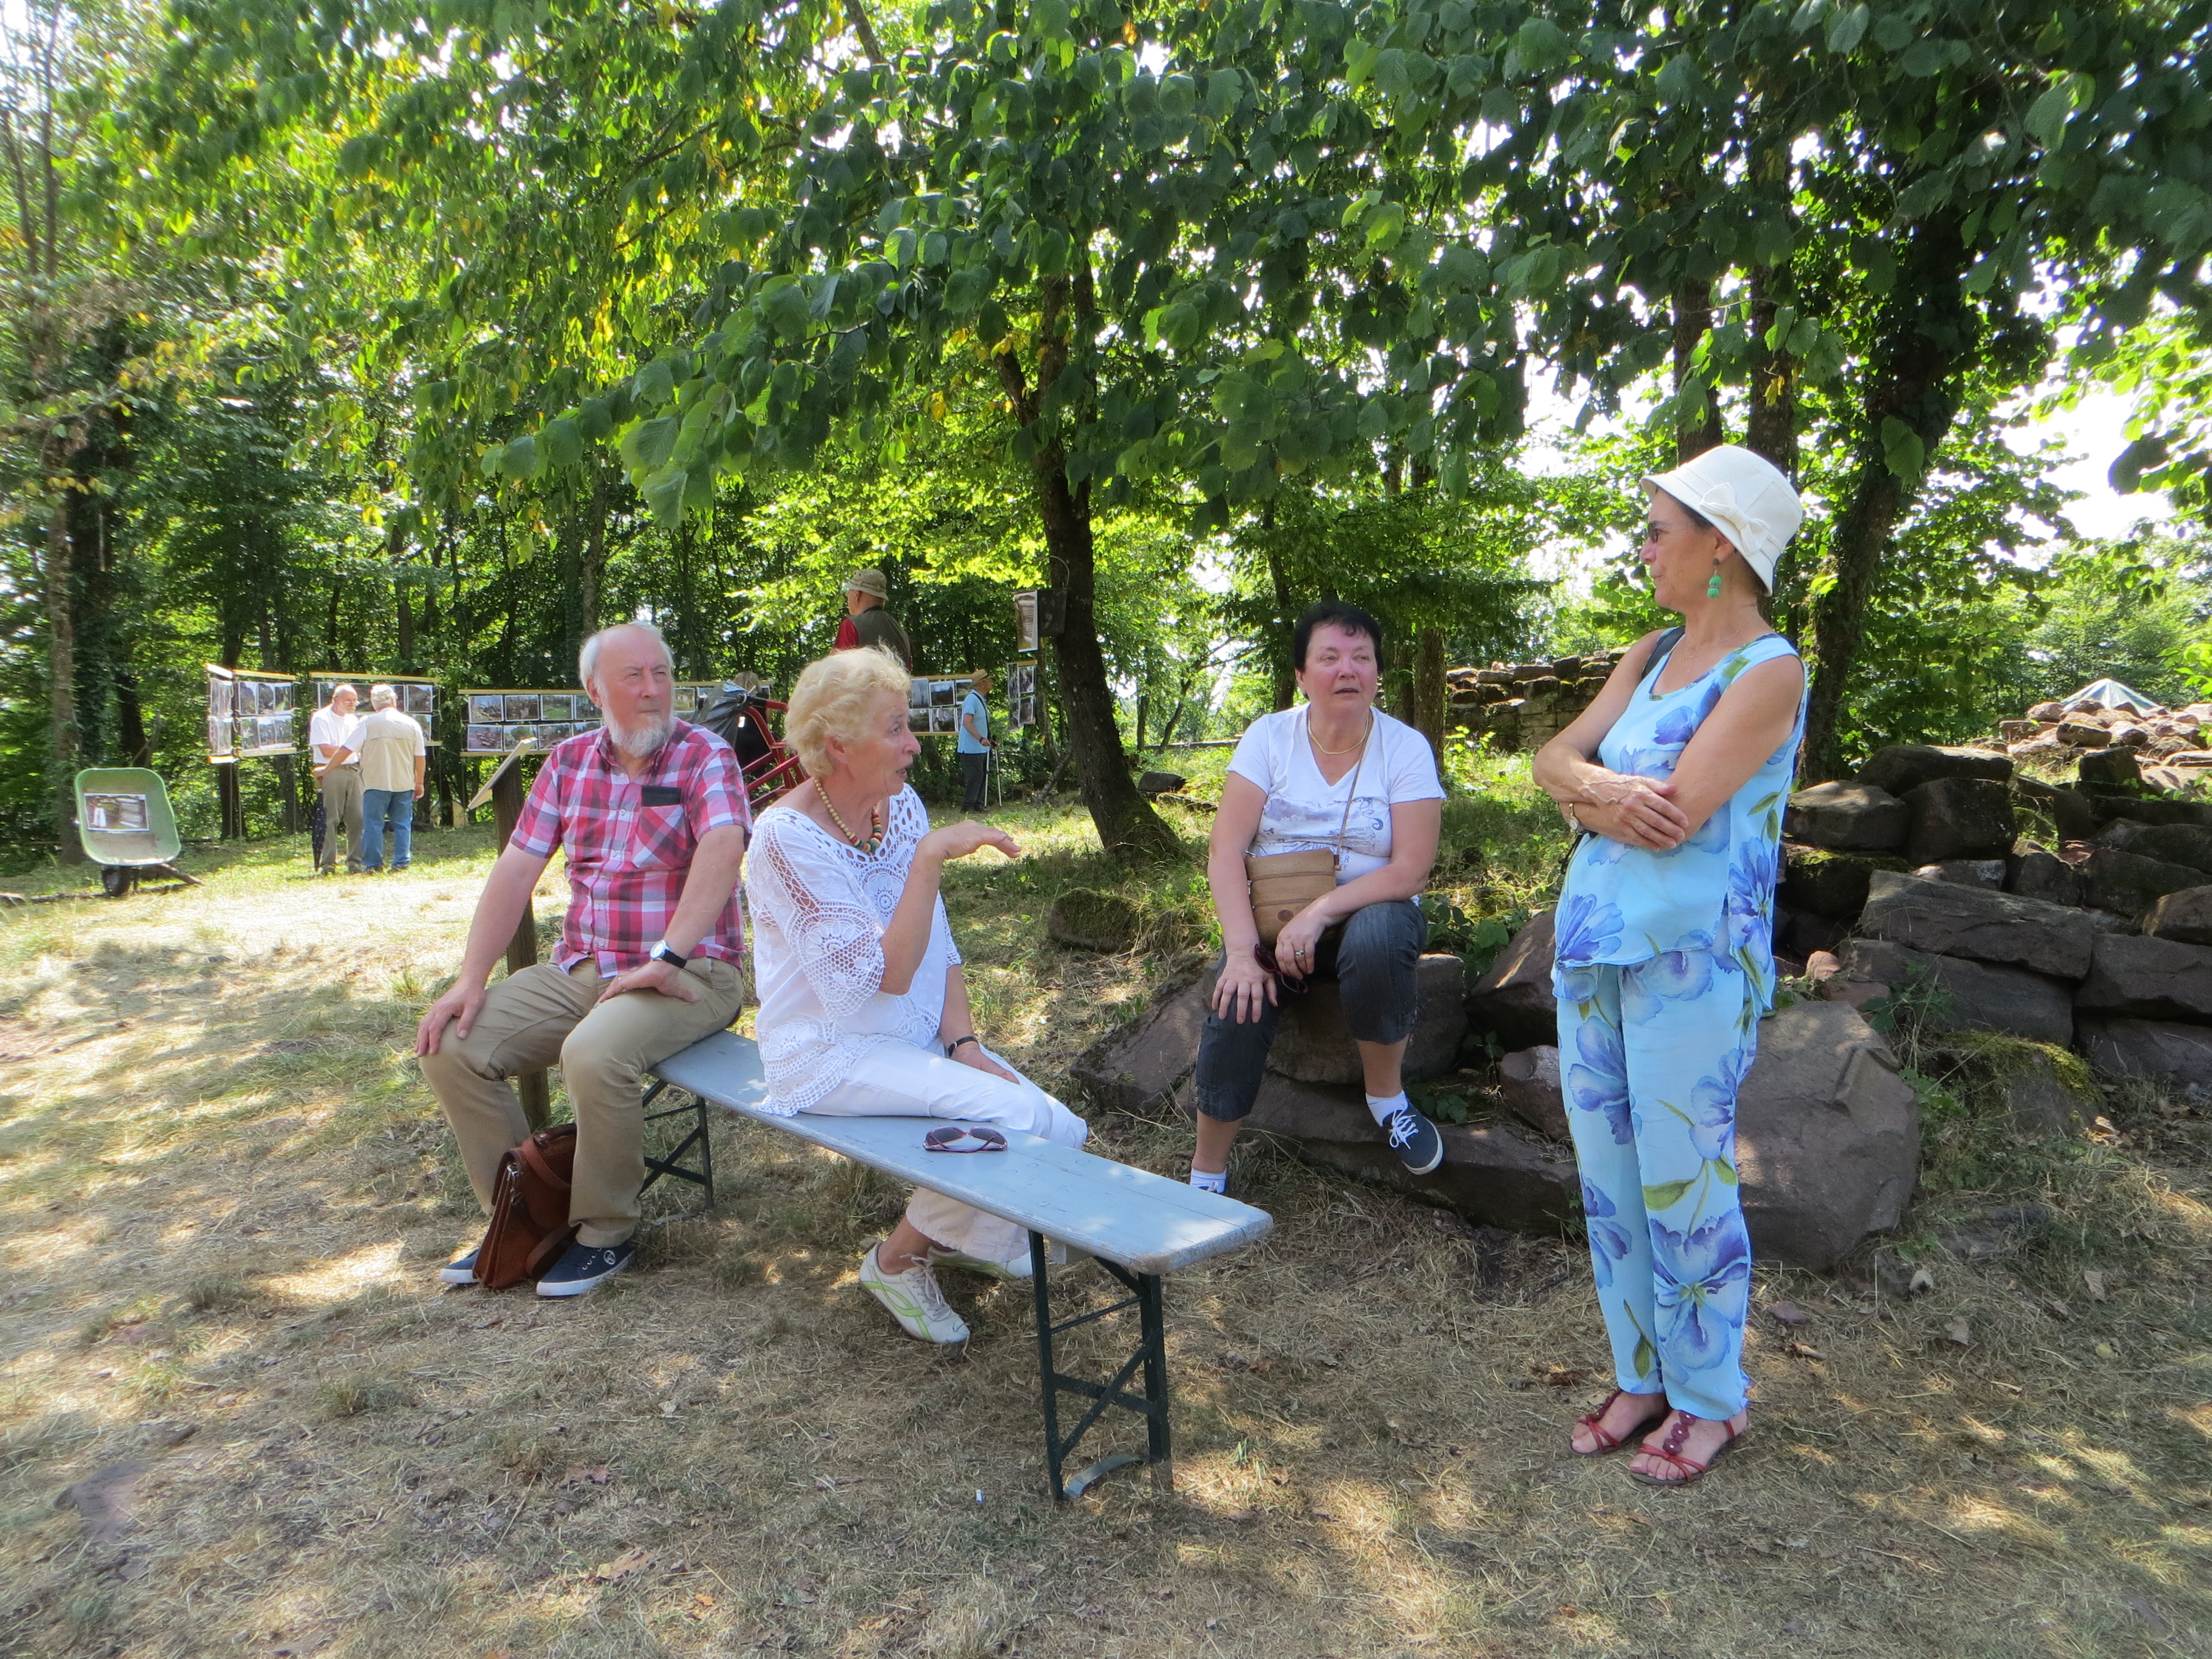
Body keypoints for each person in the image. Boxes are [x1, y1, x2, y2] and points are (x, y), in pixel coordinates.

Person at [1531, 443, 1807, 1489]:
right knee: (1610, 1179)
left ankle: (1710, 1400)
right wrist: (1594, 790)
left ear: (1721, 546)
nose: (1643, 548)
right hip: (1596, 947)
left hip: (1692, 961)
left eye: (1657, 530)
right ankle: (1641, 1377)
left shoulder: (1768, 669)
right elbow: (1551, 758)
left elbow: (1675, 816)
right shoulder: (1649, 653)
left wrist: (1585, 796)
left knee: (1684, 1181)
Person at [745, 645, 1088, 1345]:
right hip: (827, 1050)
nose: (914, 744)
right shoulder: (784, 839)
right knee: (1015, 1119)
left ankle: (961, 1236)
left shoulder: (897, 806)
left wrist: (963, 1042)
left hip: (911, 1034)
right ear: (838, 747)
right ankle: (896, 1261)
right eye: (896, 728)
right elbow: (887, 976)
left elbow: (939, 942)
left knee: (1063, 1131)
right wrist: (931, 857)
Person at [415, 622, 752, 1298]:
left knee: (593, 1053)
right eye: (634, 676)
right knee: (449, 1044)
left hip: (692, 972)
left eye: (662, 673)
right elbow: (515, 871)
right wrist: (470, 980)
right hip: (586, 970)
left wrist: (669, 955)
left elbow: (723, 849)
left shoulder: (705, 755)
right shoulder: (568, 763)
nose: (653, 690)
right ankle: (524, 1220)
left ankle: (604, 1231)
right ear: (595, 690)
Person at [1188, 602, 1447, 1194]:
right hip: (1272, 917)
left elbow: (1411, 870)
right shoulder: (1269, 737)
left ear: (1378, 674)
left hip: (1369, 912)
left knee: (1380, 934)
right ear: (1302, 677)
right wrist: (1240, 952)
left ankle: (1388, 1102)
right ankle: (1207, 1172)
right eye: (1329, 658)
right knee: (1239, 997)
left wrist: (1322, 911)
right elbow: (1224, 851)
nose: (1347, 669)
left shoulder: (1405, 747)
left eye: (1362, 657)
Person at [356, 684, 427, 873]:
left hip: (375, 782)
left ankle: (373, 865)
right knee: (403, 824)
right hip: (404, 782)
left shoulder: (367, 722)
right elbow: (420, 757)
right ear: (394, 701)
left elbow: (349, 748)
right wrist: (419, 782)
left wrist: (328, 768)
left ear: (374, 703)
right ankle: (402, 861)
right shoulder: (411, 724)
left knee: (373, 824)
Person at [309, 684, 364, 875]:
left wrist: (349, 751)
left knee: (357, 817)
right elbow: (326, 750)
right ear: (336, 700)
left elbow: (358, 748)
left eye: (355, 700)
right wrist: (349, 750)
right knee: (330, 817)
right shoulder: (321, 718)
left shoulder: (353, 720)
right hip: (331, 770)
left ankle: (355, 862)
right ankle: (328, 864)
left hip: (354, 769)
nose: (353, 704)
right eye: (349, 700)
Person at [831, 567, 914, 669]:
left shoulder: (851, 625)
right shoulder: (901, 632)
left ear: (857, 595)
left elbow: (837, 669)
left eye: (849, 592)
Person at [957, 669, 995, 811]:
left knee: (981, 775)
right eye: (989, 680)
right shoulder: (972, 699)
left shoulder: (981, 700)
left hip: (980, 747)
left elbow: (980, 724)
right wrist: (981, 739)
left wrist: (988, 740)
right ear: (982, 684)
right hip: (971, 748)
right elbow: (967, 723)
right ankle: (968, 806)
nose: (992, 682)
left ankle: (977, 804)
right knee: (975, 776)